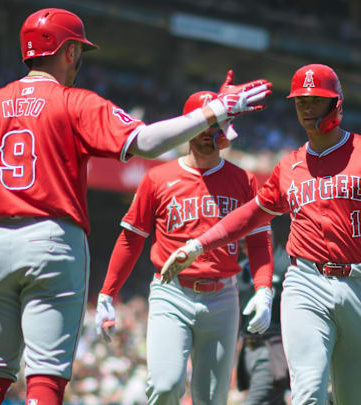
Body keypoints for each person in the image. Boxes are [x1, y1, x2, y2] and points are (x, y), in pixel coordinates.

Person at [0, 8, 272, 405]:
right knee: (44, 377)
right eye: (78, 49)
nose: (79, 58)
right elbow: (146, 143)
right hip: (51, 239)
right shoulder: (74, 102)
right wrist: (213, 112)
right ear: (68, 51)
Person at [160, 64, 361, 405]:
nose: (306, 108)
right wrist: (199, 244)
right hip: (305, 283)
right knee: (309, 394)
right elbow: (252, 213)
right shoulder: (290, 165)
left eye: (316, 100)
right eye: (301, 101)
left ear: (337, 104)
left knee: (354, 398)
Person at [94, 90, 275, 405]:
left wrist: (263, 290)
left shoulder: (244, 180)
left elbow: (258, 240)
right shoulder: (158, 178)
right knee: (165, 386)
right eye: (201, 126)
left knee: (212, 398)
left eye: (214, 126)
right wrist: (107, 294)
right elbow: (131, 238)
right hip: (171, 291)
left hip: (223, 295)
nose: (207, 134)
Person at [235, 241, 290, 405]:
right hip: (247, 350)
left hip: (272, 348)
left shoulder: (284, 263)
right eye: (243, 242)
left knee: (255, 401)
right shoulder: (240, 270)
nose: (246, 246)